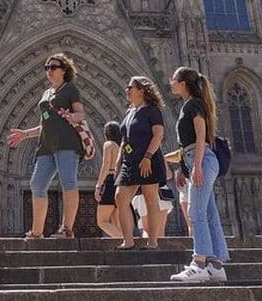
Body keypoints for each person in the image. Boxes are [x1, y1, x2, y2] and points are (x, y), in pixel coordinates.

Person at [8, 54, 86, 239]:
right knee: (37, 184)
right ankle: (37, 232)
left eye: (53, 67)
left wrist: (73, 116)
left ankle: (67, 229)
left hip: (66, 142)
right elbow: (46, 124)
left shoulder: (70, 90)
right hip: (46, 145)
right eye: (46, 67)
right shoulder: (47, 93)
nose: (49, 71)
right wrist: (25, 134)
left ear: (64, 70)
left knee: (68, 182)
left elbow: (81, 114)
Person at [169, 67, 229, 283]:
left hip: (202, 159)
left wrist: (196, 166)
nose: (171, 82)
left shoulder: (194, 104)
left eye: (174, 79)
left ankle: (199, 263)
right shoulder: (190, 105)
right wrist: (177, 164)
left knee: (196, 213)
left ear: (183, 82)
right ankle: (216, 265)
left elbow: (201, 136)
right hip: (197, 158)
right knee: (209, 214)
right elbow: (188, 146)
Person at [114, 76, 167, 250]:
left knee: (150, 199)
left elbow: (158, 135)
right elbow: (124, 138)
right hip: (130, 162)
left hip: (147, 160)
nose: (126, 90)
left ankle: (152, 242)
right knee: (120, 197)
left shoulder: (152, 110)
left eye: (130, 87)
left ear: (141, 90)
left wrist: (148, 157)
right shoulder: (130, 112)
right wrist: (118, 160)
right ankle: (128, 240)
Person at [95, 121, 122, 238]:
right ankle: (125, 245)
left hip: (110, 180)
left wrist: (98, 186)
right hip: (120, 182)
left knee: (102, 221)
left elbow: (106, 165)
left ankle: (125, 240)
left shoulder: (109, 144)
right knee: (116, 221)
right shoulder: (121, 146)